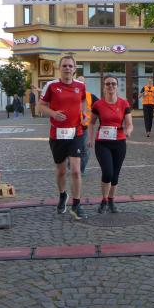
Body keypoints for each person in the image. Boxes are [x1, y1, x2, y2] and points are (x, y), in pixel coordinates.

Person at [37, 55, 88, 220]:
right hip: (57, 134)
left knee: (76, 170)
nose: (67, 68)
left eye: (70, 66)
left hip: (76, 132)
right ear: (60, 68)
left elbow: (83, 101)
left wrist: (84, 114)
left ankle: (76, 204)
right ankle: (62, 195)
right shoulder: (51, 86)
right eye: (64, 65)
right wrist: (53, 113)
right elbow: (40, 106)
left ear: (74, 69)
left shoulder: (80, 86)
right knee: (61, 171)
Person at [88, 76, 133, 214]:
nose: (111, 86)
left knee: (115, 175)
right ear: (104, 86)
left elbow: (129, 123)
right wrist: (90, 138)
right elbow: (91, 123)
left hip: (119, 143)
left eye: (113, 83)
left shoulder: (124, 103)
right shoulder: (98, 104)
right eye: (108, 84)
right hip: (102, 143)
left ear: (117, 86)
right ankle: (104, 199)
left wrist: (128, 131)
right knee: (107, 173)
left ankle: (111, 200)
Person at [79, 88, 95, 174]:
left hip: (85, 126)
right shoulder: (70, 94)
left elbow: (100, 106)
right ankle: (71, 163)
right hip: (72, 126)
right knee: (71, 148)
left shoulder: (90, 96)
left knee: (86, 149)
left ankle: (81, 169)